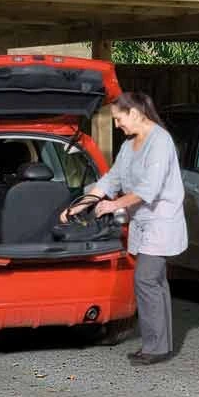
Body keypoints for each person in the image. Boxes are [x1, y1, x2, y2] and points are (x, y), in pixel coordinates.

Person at [62, 91, 187, 365]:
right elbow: (111, 180)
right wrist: (78, 207)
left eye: (119, 119)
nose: (117, 125)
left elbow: (148, 189)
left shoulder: (160, 142)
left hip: (161, 222)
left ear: (135, 113)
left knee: (145, 279)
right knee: (156, 282)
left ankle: (154, 348)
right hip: (143, 222)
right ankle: (161, 345)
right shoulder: (129, 145)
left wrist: (113, 205)